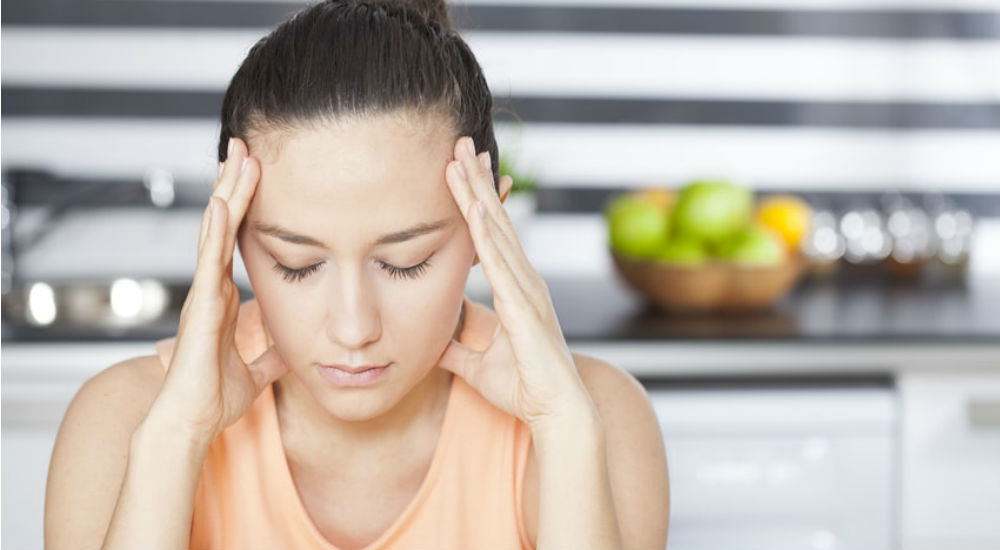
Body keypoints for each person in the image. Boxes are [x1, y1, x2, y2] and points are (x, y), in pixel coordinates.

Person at [43, 1, 669, 548]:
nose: (352, 328)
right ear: (229, 236)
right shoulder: (126, 421)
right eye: (297, 264)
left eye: (404, 262)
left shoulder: (594, 418)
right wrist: (176, 437)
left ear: (490, 232)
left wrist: (562, 426)